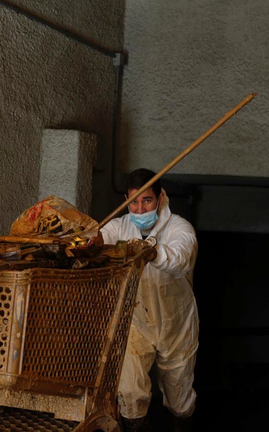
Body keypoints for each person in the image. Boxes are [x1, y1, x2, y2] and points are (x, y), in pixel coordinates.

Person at [100, 168, 199, 432]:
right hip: (135, 322)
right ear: (125, 199)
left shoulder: (179, 227)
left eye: (147, 201)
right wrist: (85, 240)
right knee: (130, 393)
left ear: (161, 197)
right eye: (133, 201)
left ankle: (182, 425)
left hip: (176, 324)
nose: (140, 209)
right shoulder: (119, 227)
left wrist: (151, 253)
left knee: (179, 397)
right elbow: (96, 241)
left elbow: (182, 257)